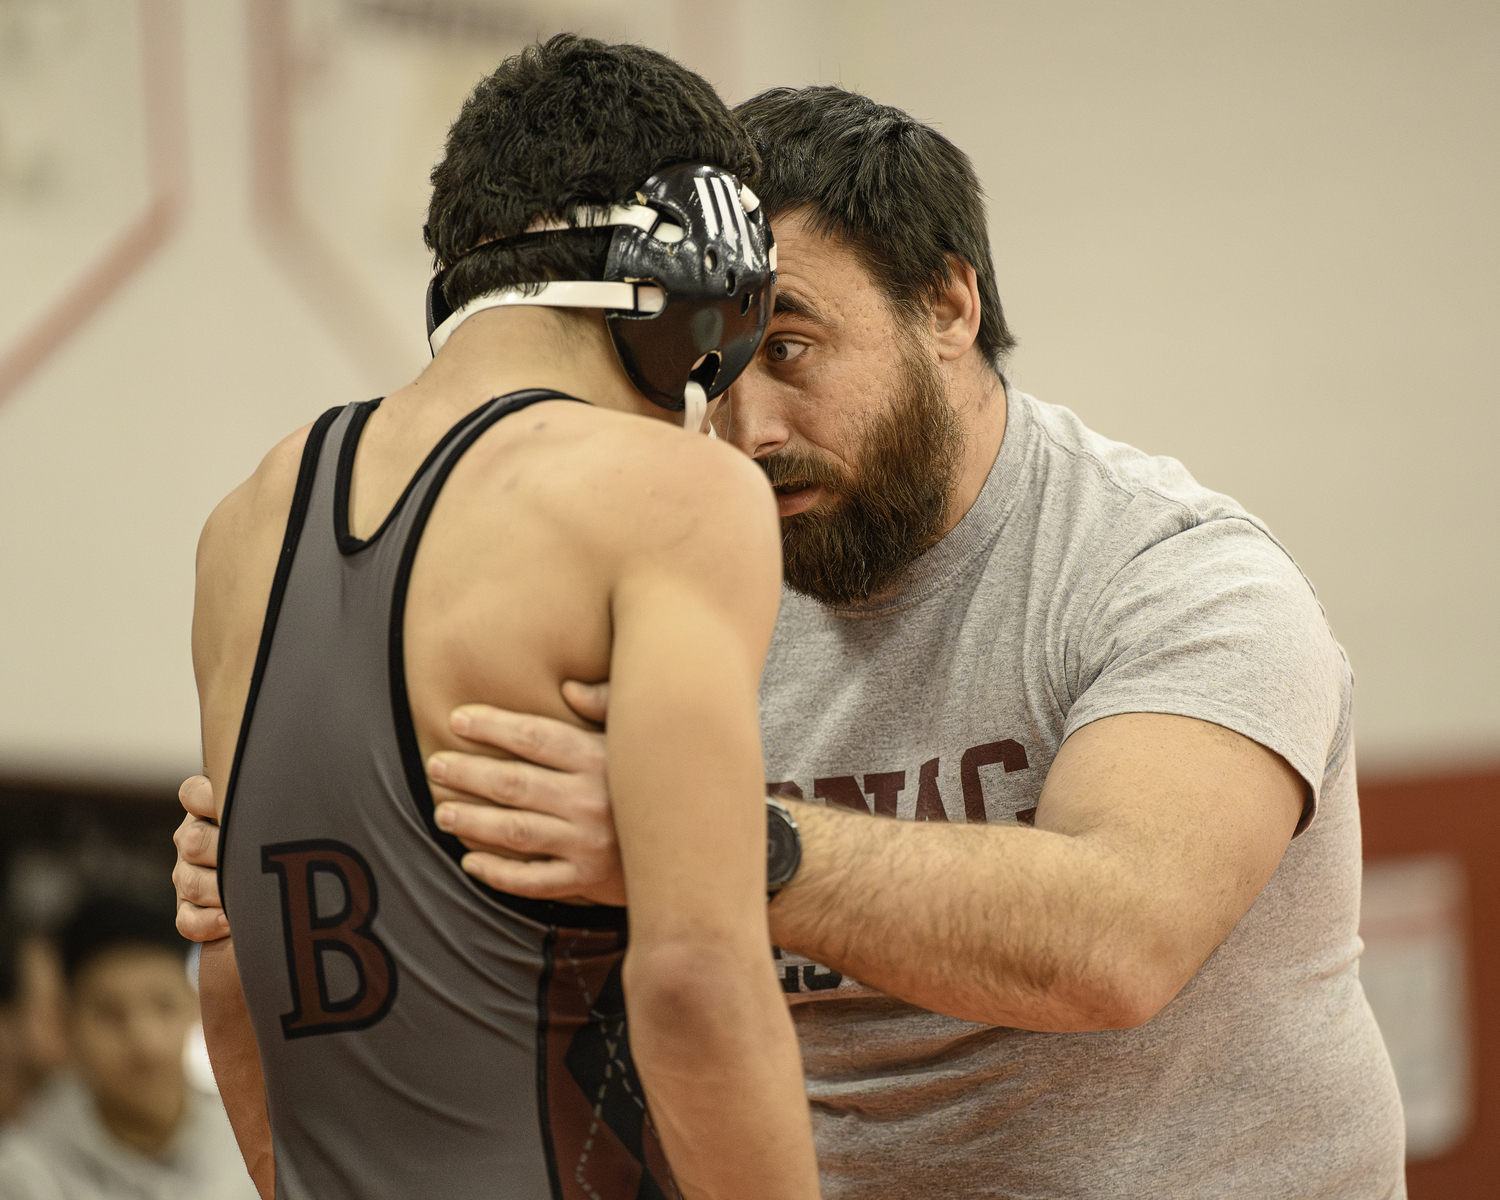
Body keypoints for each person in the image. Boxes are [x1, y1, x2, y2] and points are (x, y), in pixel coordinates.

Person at [177, 85, 1407, 1196]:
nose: (746, 424)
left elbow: (1119, 940)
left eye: (796, 348)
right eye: (719, 361)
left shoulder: (1177, 574)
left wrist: (710, 842)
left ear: (948, 302)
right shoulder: (674, 561)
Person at [187, 36, 817, 1200]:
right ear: (709, 285)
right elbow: (693, 979)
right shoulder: (675, 493)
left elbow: (230, 973)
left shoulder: (248, 522)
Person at [0, 897, 255, 1200]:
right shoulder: (27, 1175)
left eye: (164, 1005)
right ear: (67, 1024)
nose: (144, 1040)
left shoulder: (248, 1145)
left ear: (195, 1005)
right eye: (110, 1013)